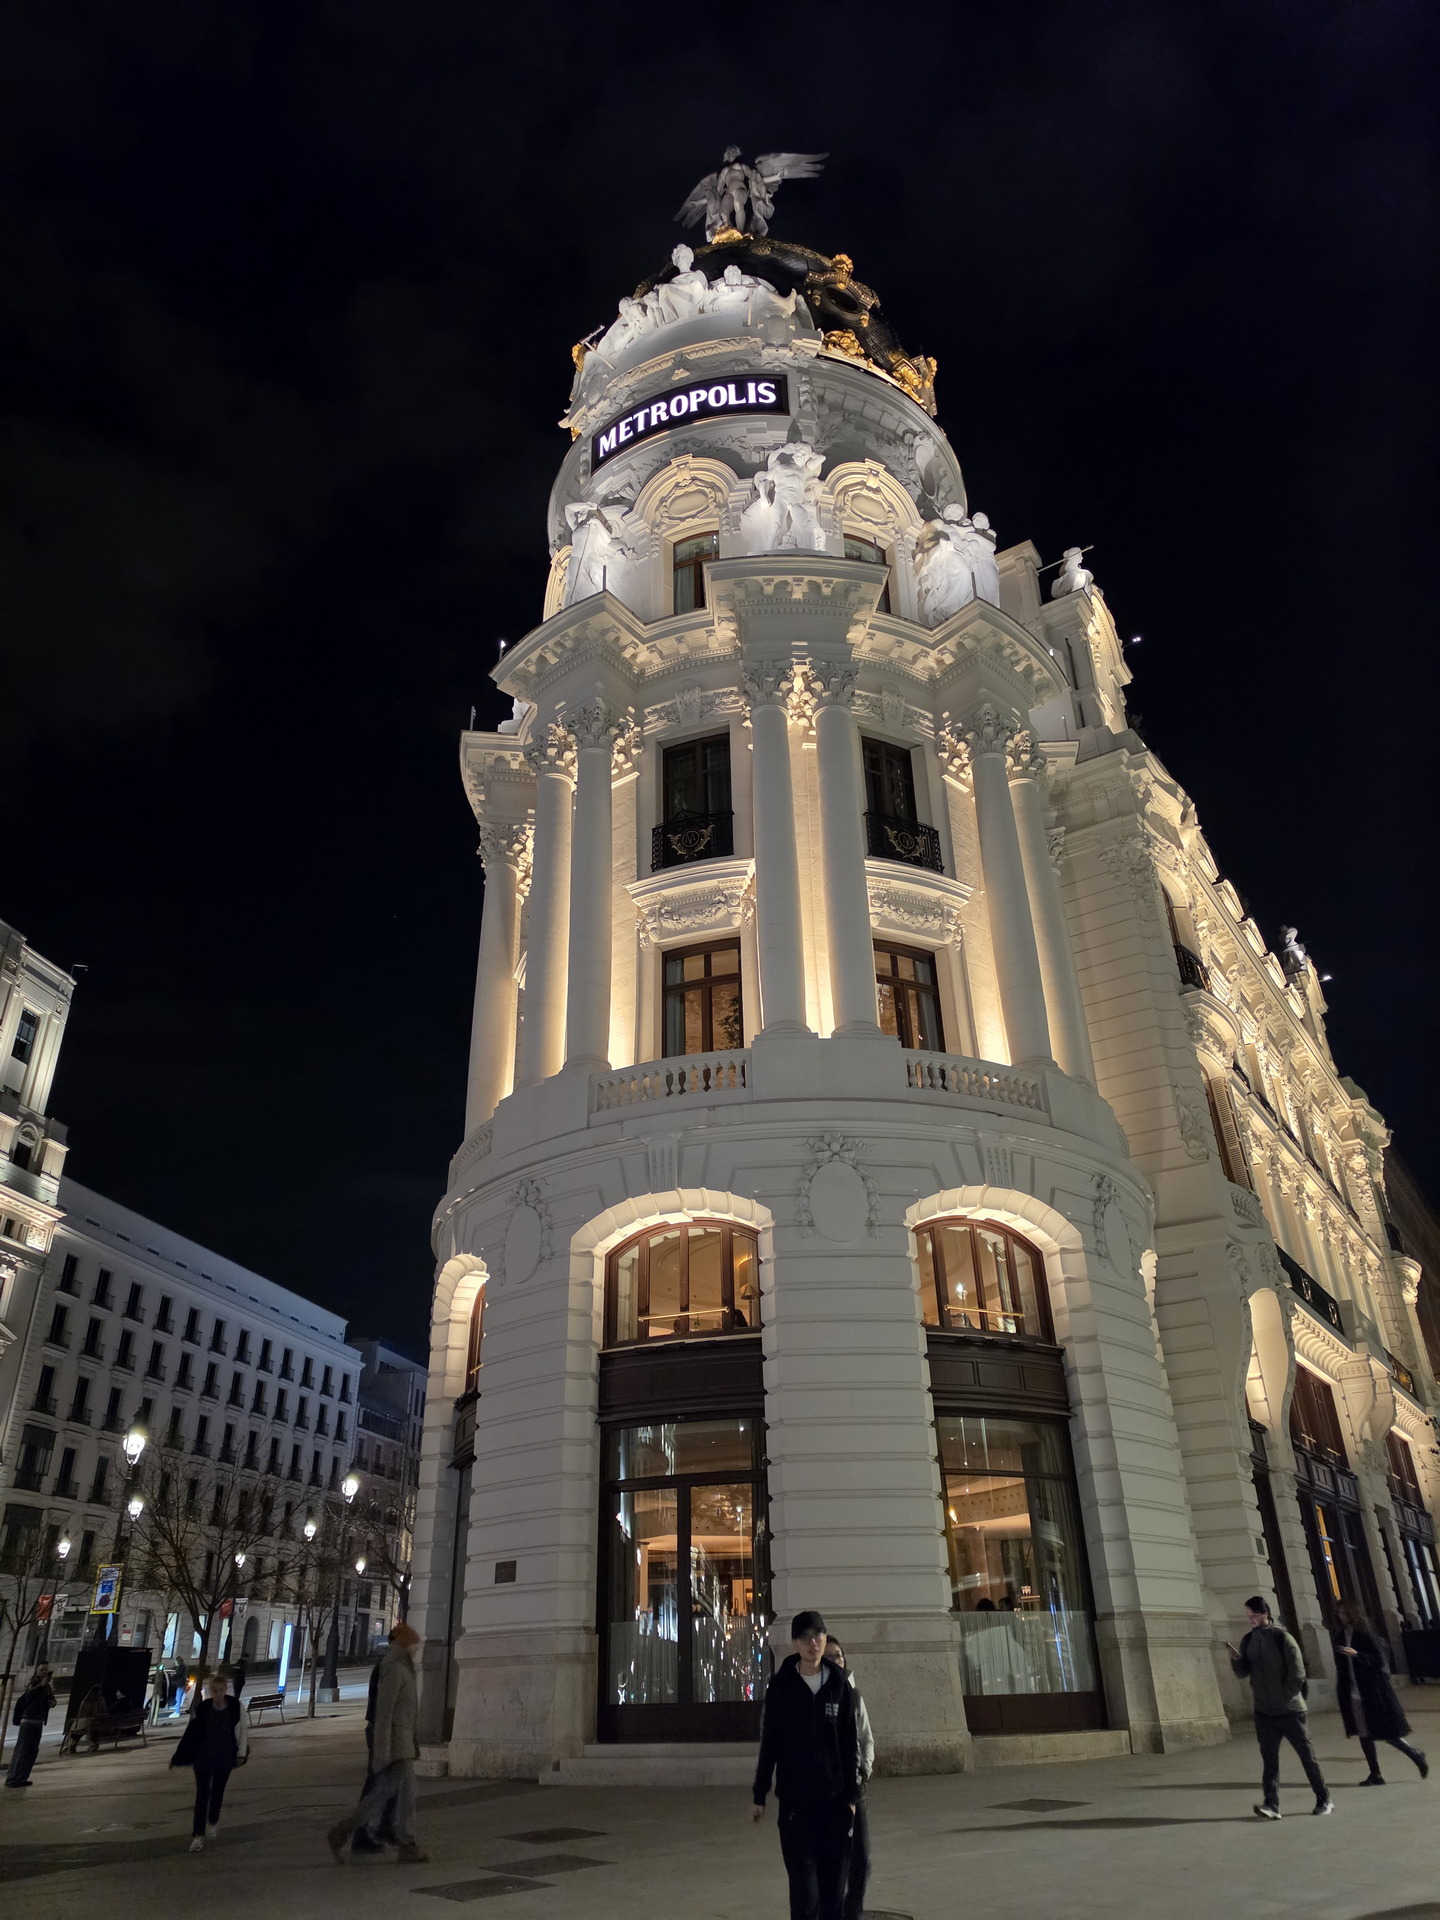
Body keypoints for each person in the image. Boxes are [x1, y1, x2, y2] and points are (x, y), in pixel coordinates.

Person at [752, 1610, 861, 1920]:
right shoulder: (782, 1687)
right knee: (803, 1893)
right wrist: (759, 1794)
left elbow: (850, 1743)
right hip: (795, 1807)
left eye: (818, 1636)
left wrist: (851, 1798)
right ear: (795, 1643)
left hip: (835, 1804)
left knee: (832, 1896)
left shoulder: (840, 1684)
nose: (813, 1643)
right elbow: (770, 1743)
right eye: (806, 1638)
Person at [326, 1621, 428, 1866]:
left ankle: (343, 1831)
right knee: (402, 1795)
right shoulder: (393, 1667)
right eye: (414, 1644)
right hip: (395, 1744)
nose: (417, 1649)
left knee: (385, 1794)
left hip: (402, 1742)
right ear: (405, 1644)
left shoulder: (403, 1666)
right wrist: (382, 1751)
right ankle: (405, 1842)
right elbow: (384, 1712)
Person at [1228, 1595, 1332, 1819]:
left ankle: (1324, 1799)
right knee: (1269, 1760)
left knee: (1307, 1756)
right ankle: (1271, 1805)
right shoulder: (1248, 1640)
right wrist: (1236, 1660)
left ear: (1265, 1614)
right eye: (1248, 1616)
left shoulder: (1282, 1637)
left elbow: (1298, 1672)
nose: (1250, 1620)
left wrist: (1285, 1697)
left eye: (1253, 1615)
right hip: (1264, 1712)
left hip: (1290, 1710)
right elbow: (1243, 1672)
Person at [1333, 1599, 1428, 1784]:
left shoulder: (1364, 1633)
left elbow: (1379, 1660)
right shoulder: (1341, 1635)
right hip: (1353, 1692)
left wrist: (1357, 1655)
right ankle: (1375, 1773)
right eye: (1339, 1613)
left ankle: (1415, 1754)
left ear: (1353, 1613)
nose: (1341, 1616)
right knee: (1364, 1734)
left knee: (1384, 1732)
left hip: (1372, 1692)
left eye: (1344, 1612)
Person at [823, 1639, 874, 1920]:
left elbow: (866, 1738)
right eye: (828, 1657)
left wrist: (864, 1771)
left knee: (862, 1861)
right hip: (826, 1793)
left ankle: (852, 1913)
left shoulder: (854, 1697)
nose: (835, 1661)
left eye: (838, 1656)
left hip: (855, 1790)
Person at [170, 1671, 248, 1853]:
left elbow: (242, 1730)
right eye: (215, 1691)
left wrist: (241, 1753)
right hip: (204, 1757)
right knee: (202, 1795)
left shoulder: (235, 1707)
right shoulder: (204, 1709)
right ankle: (198, 1834)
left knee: (218, 1791)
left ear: (225, 1690)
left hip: (225, 1756)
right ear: (211, 1691)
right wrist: (180, 1756)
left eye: (221, 1690)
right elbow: (192, 1733)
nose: (218, 1694)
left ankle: (212, 1820)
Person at [5, 1665, 56, 1788]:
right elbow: (27, 1698)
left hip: (38, 1722)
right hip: (28, 1722)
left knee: (32, 1751)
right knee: (23, 1750)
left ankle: (22, 1777)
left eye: (46, 1670)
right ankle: (13, 1777)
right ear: (37, 1672)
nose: (44, 1672)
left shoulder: (47, 1687)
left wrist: (52, 1702)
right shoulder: (33, 1685)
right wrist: (41, 1685)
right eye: (42, 1670)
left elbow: (48, 1701)